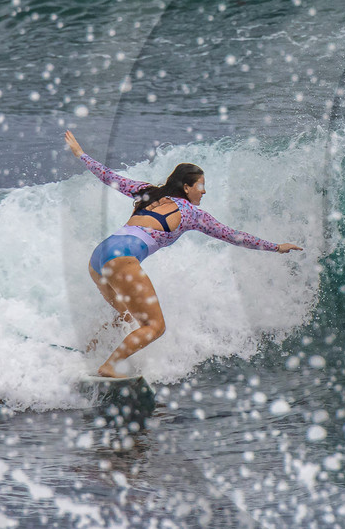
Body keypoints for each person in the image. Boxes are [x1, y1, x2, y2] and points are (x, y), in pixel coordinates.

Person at [63, 131, 302, 377]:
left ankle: (89, 352)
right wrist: (276, 247)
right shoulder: (191, 214)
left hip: (99, 257)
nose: (204, 192)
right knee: (155, 326)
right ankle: (109, 366)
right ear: (186, 187)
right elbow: (233, 235)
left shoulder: (148, 191)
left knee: (125, 315)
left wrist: (81, 154)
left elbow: (110, 177)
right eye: (201, 186)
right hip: (121, 258)